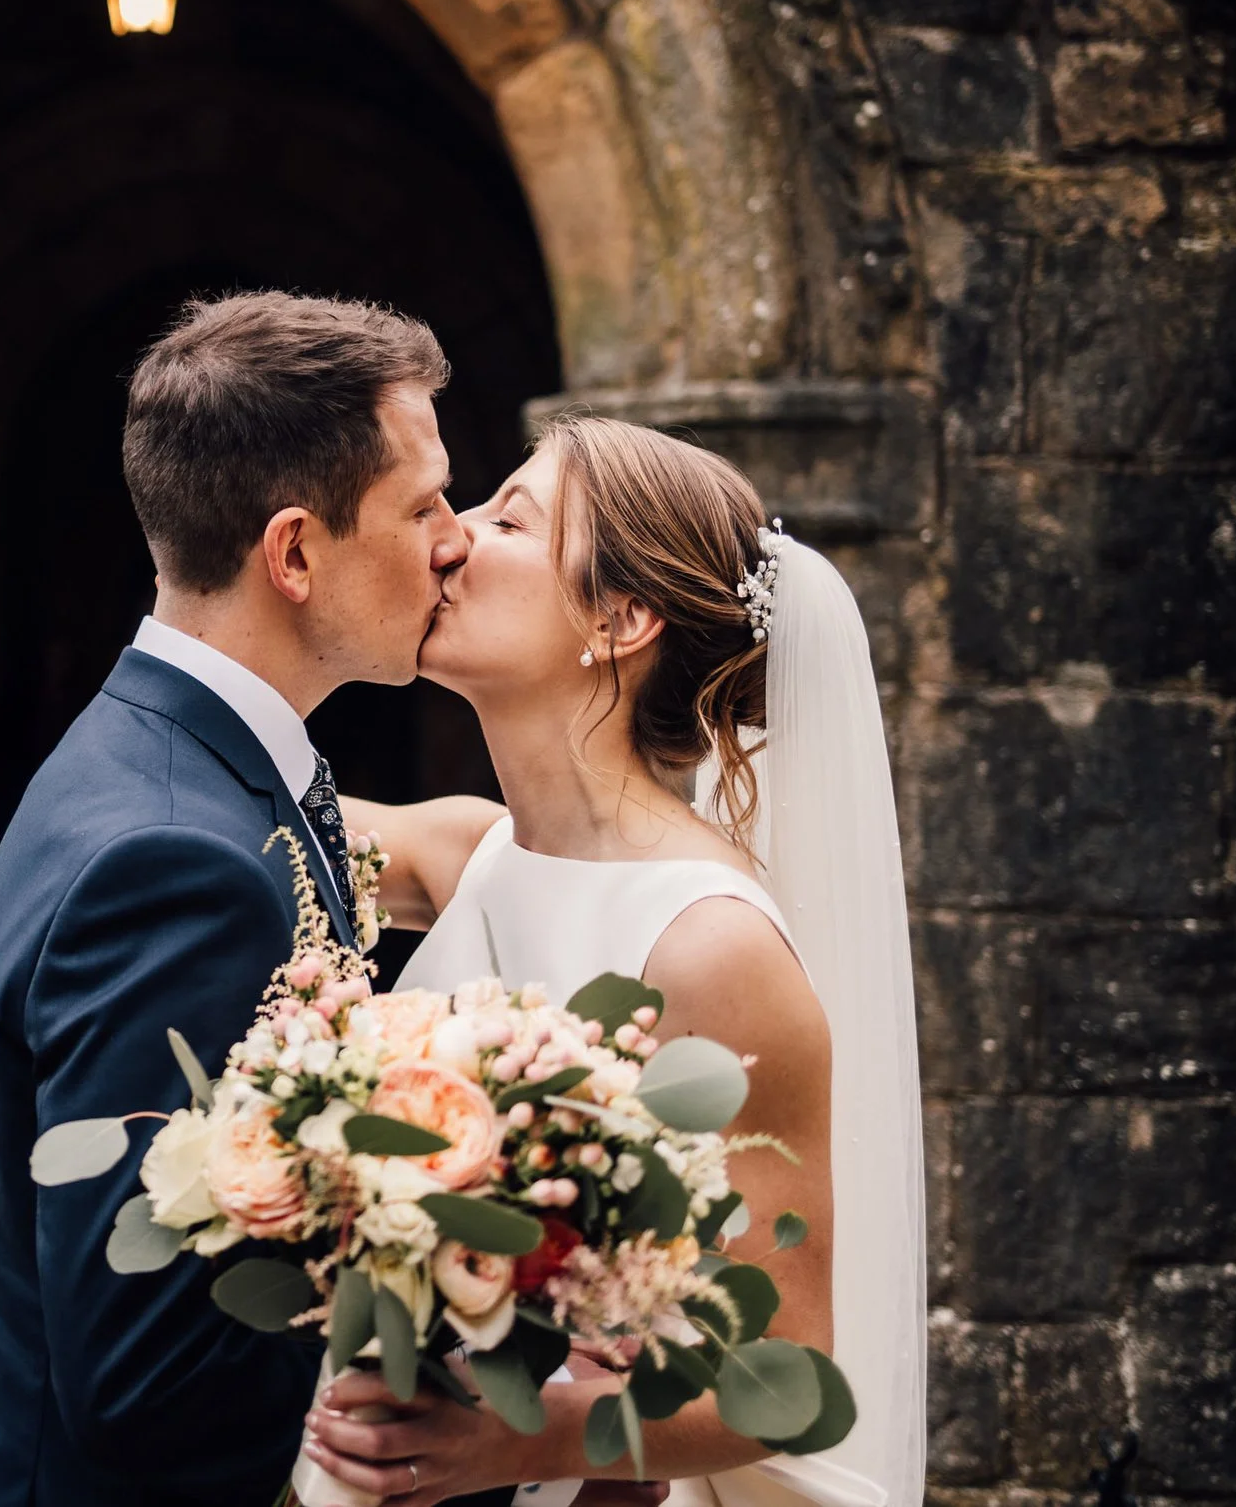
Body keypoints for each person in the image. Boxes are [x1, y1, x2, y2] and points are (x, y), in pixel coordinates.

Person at [302, 416, 925, 1507]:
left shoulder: (710, 944)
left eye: (510, 516)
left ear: (619, 616)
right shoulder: (472, 849)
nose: (449, 536)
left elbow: (781, 1379)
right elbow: (228, 824)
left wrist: (508, 1440)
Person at [0, 291, 470, 1504]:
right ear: (292, 551)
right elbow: (144, 1380)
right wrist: (463, 1306)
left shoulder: (167, 758)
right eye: (422, 502)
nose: (454, 537)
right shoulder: (175, 861)